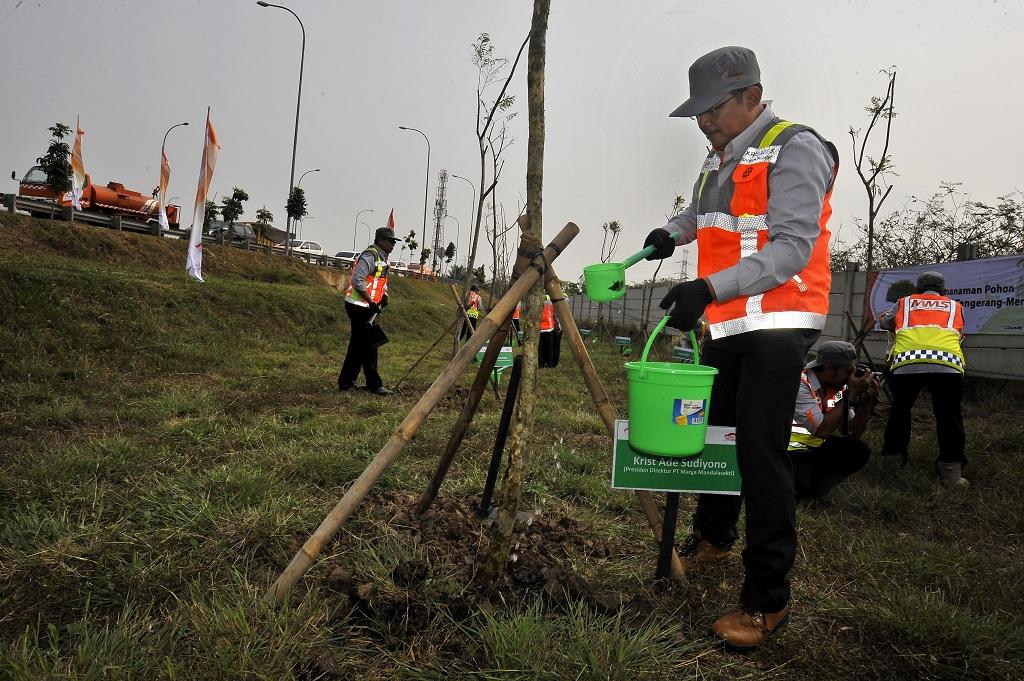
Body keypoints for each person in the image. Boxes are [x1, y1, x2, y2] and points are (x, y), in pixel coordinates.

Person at [642, 46, 840, 651]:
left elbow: (790, 249)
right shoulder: (723, 155)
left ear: (752, 95)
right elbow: (707, 214)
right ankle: (714, 537)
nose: (704, 121)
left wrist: (707, 287)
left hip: (780, 323)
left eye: (714, 108)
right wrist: (669, 234)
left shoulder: (796, 147)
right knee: (719, 433)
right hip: (728, 324)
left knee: (759, 451)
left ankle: (766, 601)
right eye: (697, 112)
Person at [879, 271, 968, 486]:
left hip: (907, 362)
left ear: (917, 290)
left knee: (900, 412)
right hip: (947, 364)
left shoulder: (904, 302)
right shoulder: (955, 306)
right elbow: (958, 330)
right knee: (949, 417)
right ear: (943, 291)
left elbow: (885, 324)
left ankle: (893, 462)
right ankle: (951, 472)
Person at [789, 341, 879, 503]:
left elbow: (853, 432)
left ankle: (815, 491)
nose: (852, 377)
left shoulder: (838, 387)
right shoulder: (801, 384)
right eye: (849, 371)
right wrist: (851, 394)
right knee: (799, 488)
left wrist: (866, 402)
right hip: (788, 450)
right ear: (829, 369)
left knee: (858, 450)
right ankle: (803, 490)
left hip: (814, 447)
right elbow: (822, 430)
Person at [337, 227, 401, 396]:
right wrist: (371, 301)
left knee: (357, 345)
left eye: (394, 241)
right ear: (380, 240)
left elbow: (381, 280)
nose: (393, 244)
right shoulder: (370, 255)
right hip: (359, 305)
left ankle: (346, 382)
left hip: (368, 306)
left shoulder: (383, 257)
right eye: (391, 241)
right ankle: (374, 385)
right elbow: (357, 279)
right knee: (371, 344)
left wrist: (384, 295)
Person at [538, 294, 560, 368]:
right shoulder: (551, 301)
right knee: (550, 349)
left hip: (541, 329)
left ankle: (541, 364)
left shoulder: (539, 301)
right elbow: (554, 314)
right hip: (550, 328)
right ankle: (549, 364)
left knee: (541, 348)